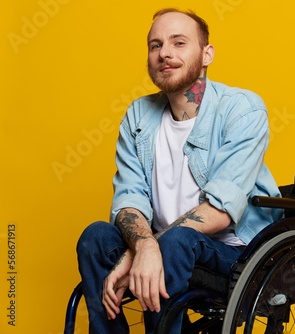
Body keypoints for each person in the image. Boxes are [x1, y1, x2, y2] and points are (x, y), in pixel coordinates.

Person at [76, 7, 283, 334]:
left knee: (177, 241)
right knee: (95, 238)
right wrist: (143, 247)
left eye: (178, 43)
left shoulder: (242, 110)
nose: (165, 53)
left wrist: (150, 247)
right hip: (166, 245)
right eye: (155, 45)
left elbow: (220, 210)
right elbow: (129, 199)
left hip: (232, 253)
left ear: (206, 54)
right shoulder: (139, 115)